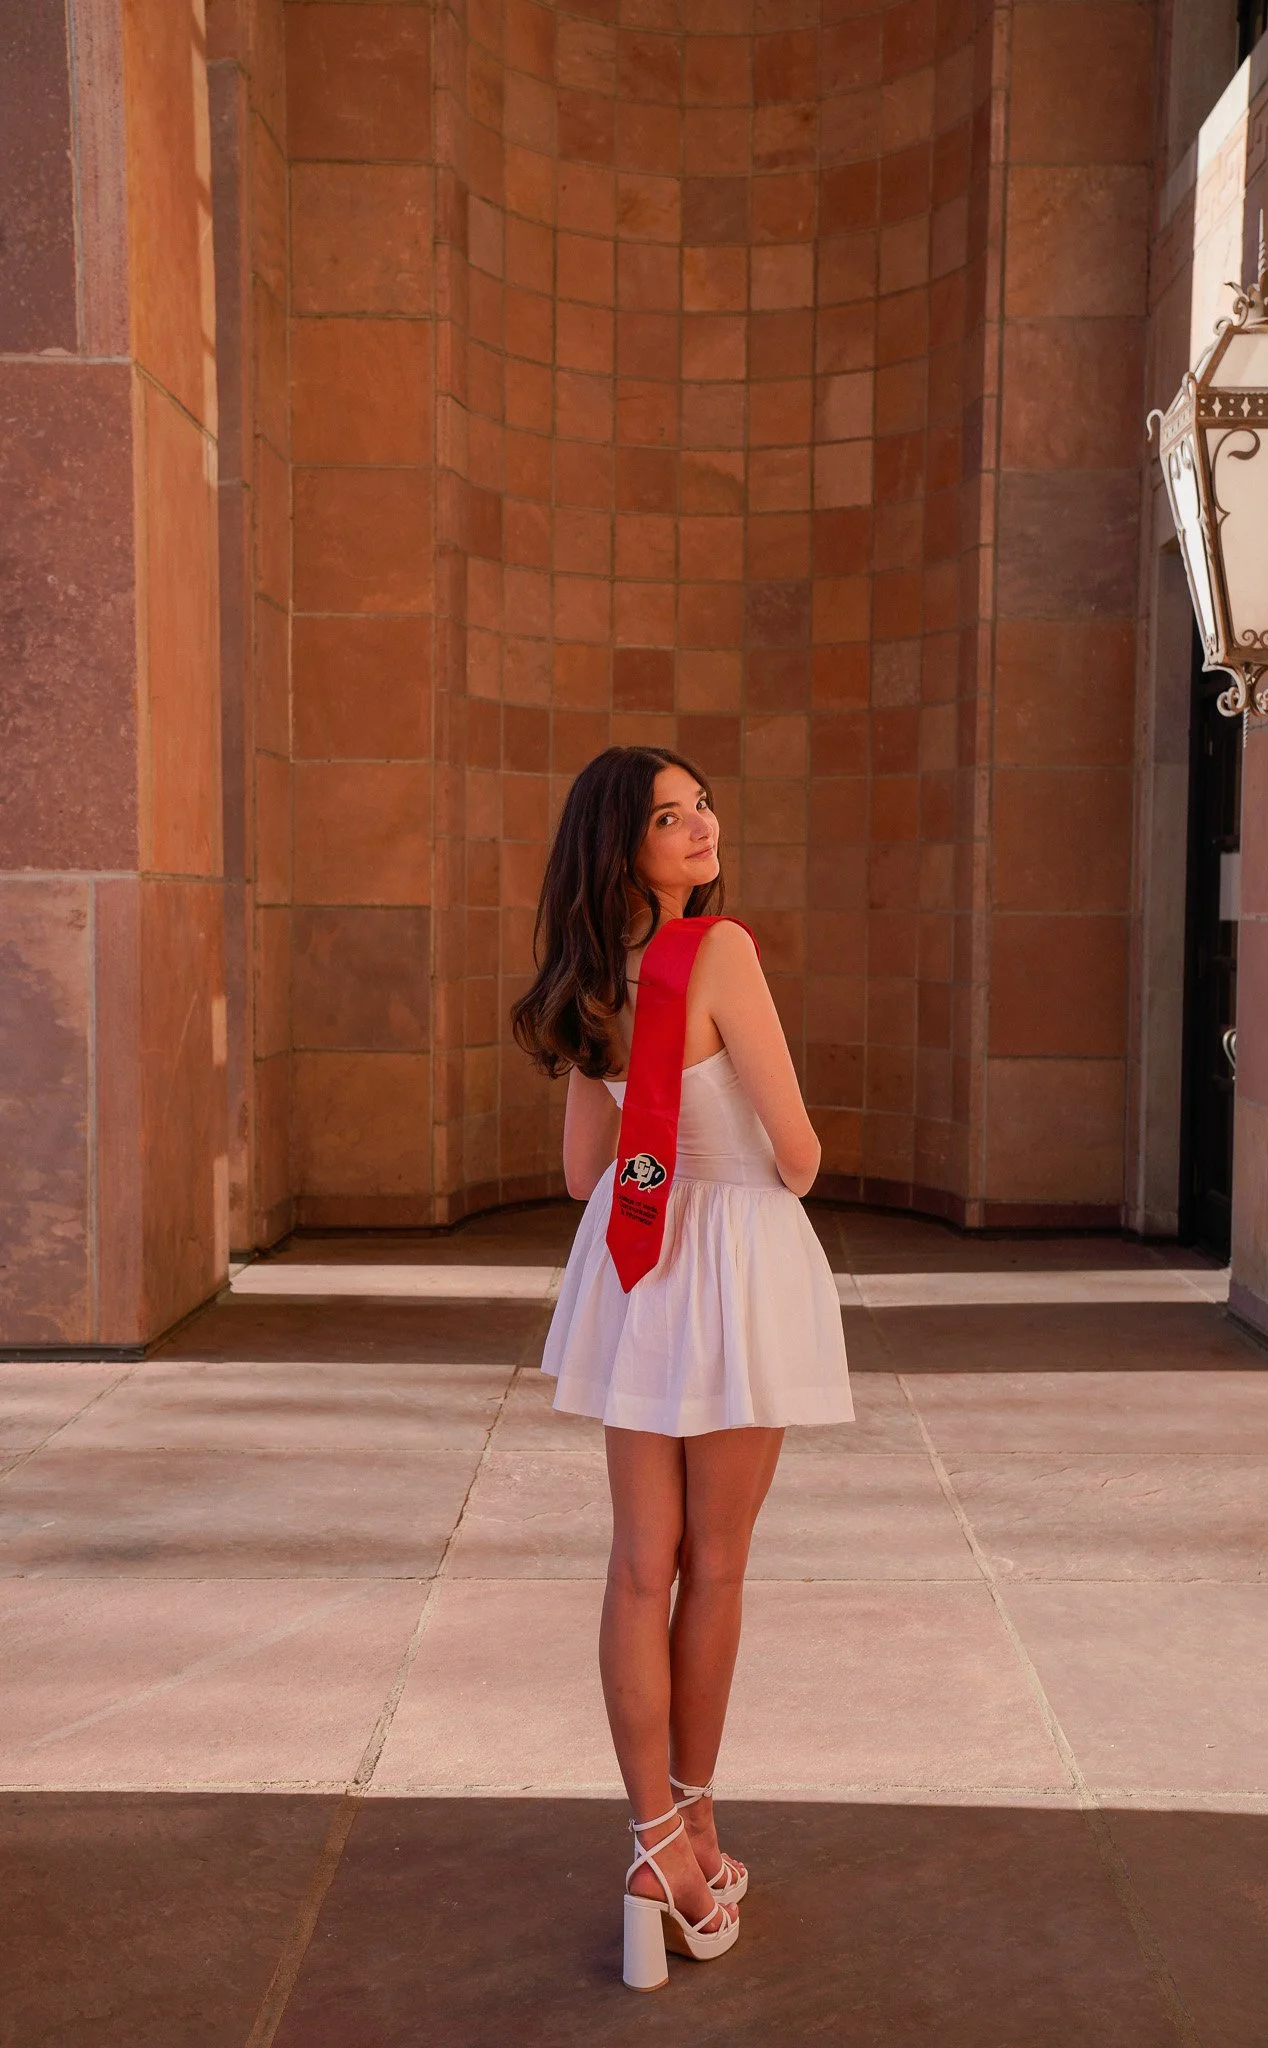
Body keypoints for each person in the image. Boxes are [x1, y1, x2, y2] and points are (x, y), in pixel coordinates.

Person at [511, 744, 853, 1991]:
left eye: (702, 800)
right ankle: (687, 1829)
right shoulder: (719, 951)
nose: (702, 823)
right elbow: (800, 1147)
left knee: (633, 1562)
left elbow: (576, 1174)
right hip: (728, 1260)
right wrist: (777, 1170)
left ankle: (662, 1837)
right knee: (714, 1563)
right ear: (628, 845)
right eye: (671, 815)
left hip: (633, 1264)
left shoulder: (588, 975)